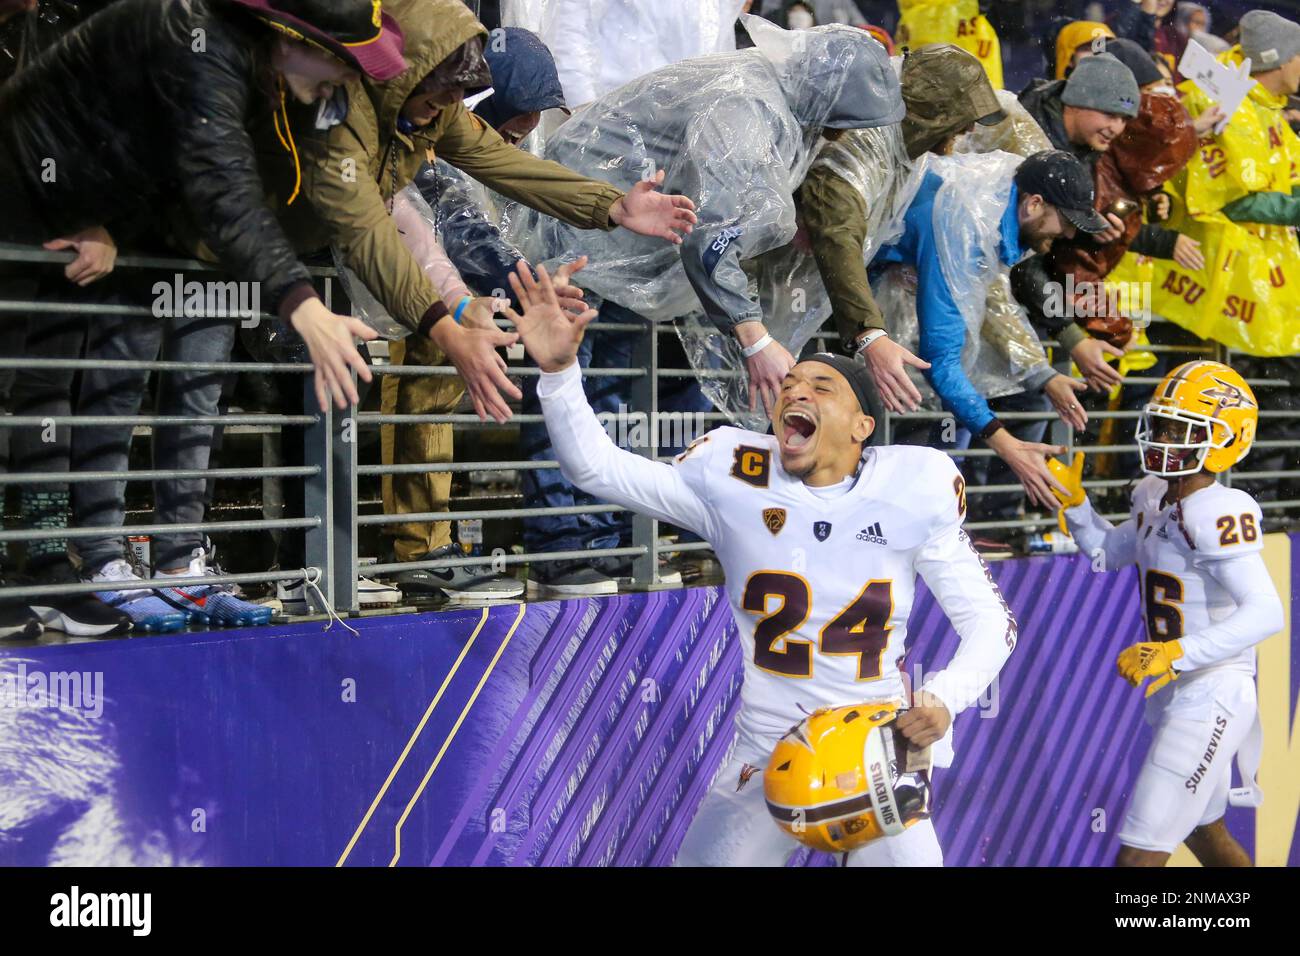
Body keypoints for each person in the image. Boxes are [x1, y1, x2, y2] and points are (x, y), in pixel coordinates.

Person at [507, 259, 1017, 866]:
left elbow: (992, 624)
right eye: (792, 383)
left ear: (862, 426)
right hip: (769, 747)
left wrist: (943, 697)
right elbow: (597, 469)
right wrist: (561, 373)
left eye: (821, 387)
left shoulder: (914, 486)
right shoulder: (734, 478)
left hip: (876, 748)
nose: (797, 391)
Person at [509, 18, 905, 595]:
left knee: (616, 400)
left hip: (624, 257)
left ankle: (611, 540)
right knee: (577, 387)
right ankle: (564, 546)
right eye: (848, 121)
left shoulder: (776, 103)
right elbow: (713, 233)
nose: (846, 136)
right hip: (580, 245)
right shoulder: (747, 107)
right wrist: (755, 339)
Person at [0, 0, 408, 413]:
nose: (341, 85)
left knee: (41, 385)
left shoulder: (243, 58)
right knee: (24, 378)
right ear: (295, 38)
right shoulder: (201, 46)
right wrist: (301, 304)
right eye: (343, 65)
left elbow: (164, 168)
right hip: (20, 192)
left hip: (61, 208)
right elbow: (221, 185)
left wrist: (94, 220)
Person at [1050, 360, 1282, 866]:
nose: (1164, 438)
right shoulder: (1153, 493)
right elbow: (1107, 553)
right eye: (1162, 425)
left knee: (1138, 859)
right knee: (1206, 835)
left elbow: (1267, 611)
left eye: (1182, 430)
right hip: (1177, 687)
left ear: (1224, 440)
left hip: (1214, 689)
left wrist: (1177, 652)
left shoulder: (1219, 509)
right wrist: (1074, 506)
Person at [870, 150, 1109, 509]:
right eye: (1066, 220)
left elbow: (993, 298)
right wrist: (1005, 443)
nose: (1070, 233)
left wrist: (1040, 374)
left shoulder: (986, 204)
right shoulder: (964, 227)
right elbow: (942, 361)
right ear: (1033, 204)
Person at [799, 43, 1007, 412]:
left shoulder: (905, 152)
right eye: (965, 113)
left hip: (807, 301)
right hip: (750, 295)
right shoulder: (862, 138)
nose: (971, 128)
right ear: (936, 110)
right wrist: (871, 335)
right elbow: (837, 232)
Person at [1136, 9, 1300, 355]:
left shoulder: (1268, 108)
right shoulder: (1227, 102)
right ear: (1281, 60)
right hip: (1207, 272)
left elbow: (1286, 179)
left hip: (1257, 275)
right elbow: (1229, 197)